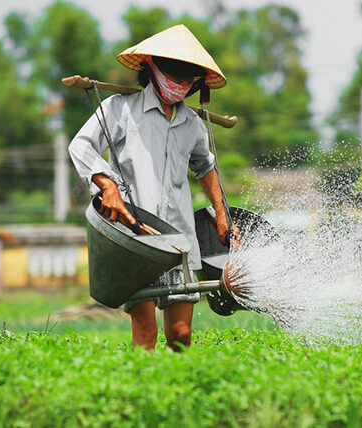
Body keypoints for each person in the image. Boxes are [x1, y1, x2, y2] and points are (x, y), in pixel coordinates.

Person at [69, 25, 235, 351]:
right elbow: (82, 146)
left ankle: (178, 393)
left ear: (196, 83)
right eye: (173, 73)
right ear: (151, 67)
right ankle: (141, 391)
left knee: (181, 336)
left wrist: (221, 213)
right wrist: (107, 186)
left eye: (188, 77)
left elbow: (206, 166)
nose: (179, 83)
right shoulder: (120, 110)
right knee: (145, 333)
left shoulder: (193, 124)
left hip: (178, 242)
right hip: (135, 238)